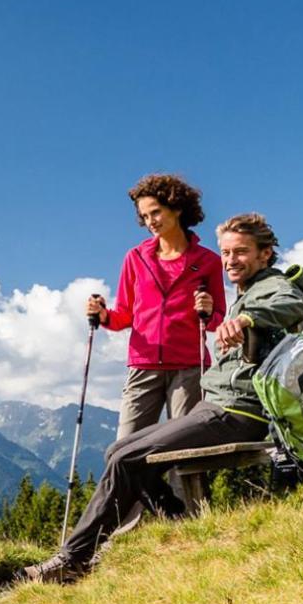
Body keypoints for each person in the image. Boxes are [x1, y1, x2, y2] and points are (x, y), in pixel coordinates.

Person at [25, 212, 303, 584]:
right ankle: (177, 521)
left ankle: (72, 559)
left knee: (127, 457)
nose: (229, 261)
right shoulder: (250, 289)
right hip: (220, 405)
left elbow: (294, 303)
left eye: (240, 252)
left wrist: (246, 320)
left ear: (266, 253)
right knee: (118, 452)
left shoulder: (272, 286)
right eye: (225, 253)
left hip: (239, 411)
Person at [89, 174, 227, 442]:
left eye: (156, 212)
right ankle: (142, 487)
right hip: (143, 365)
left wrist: (209, 312)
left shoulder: (207, 261)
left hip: (189, 368)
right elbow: (125, 316)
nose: (150, 221)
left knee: (183, 450)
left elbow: (217, 319)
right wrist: (104, 315)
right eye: (145, 215)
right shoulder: (135, 258)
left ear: (176, 208)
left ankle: (182, 487)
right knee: (126, 448)